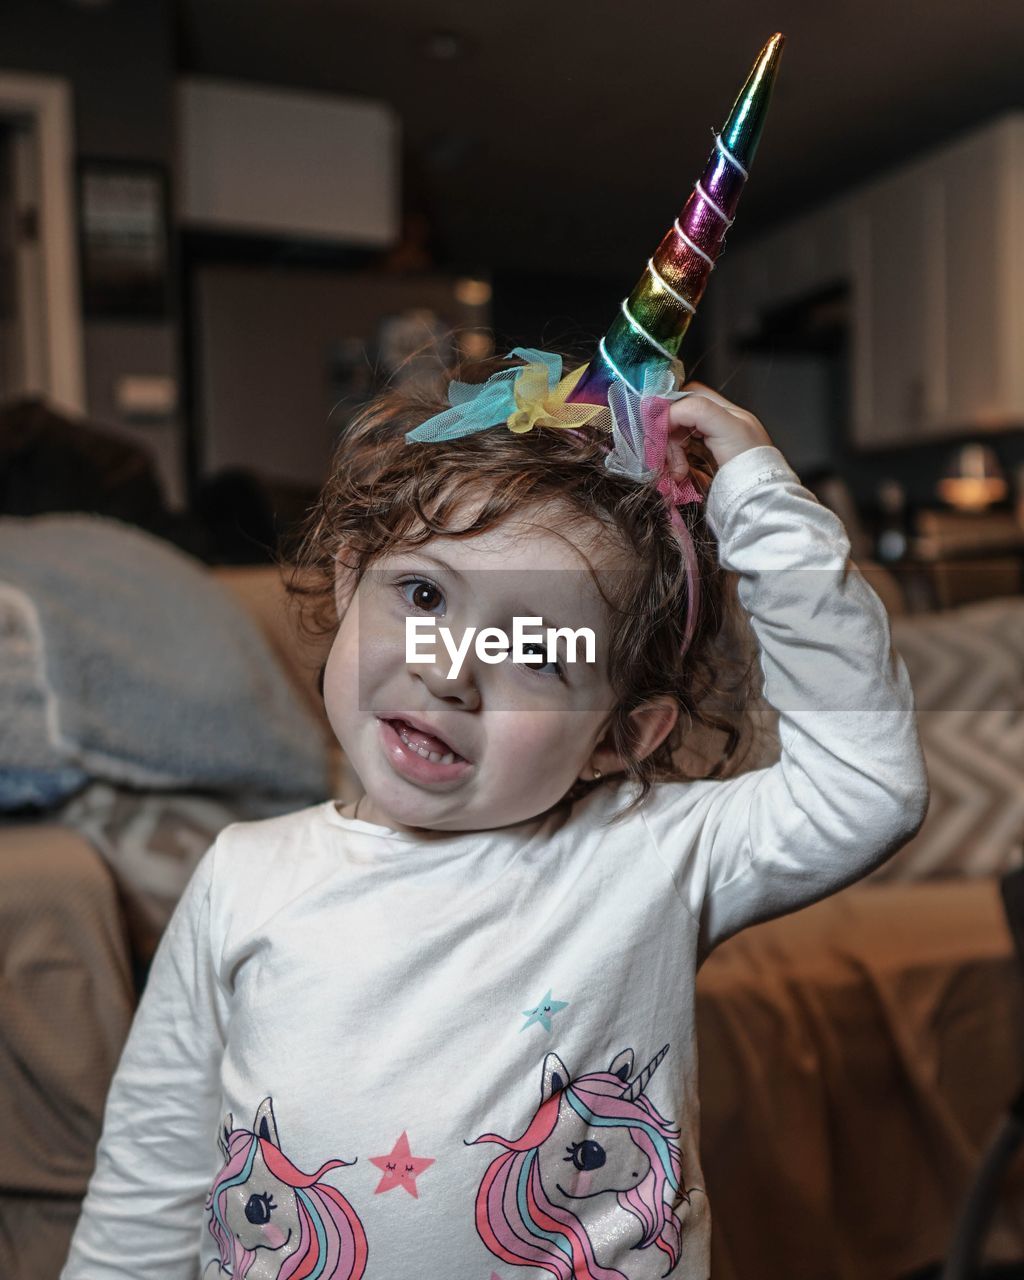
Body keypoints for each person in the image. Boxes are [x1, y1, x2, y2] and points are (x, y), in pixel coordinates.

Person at [60, 34, 927, 1280]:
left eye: (535, 646)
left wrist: (758, 501)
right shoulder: (243, 879)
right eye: (422, 594)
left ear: (624, 733)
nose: (454, 667)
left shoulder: (645, 855)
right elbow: (148, 1184)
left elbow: (868, 784)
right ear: (351, 587)